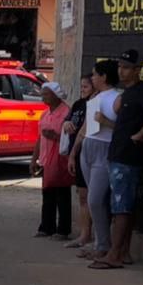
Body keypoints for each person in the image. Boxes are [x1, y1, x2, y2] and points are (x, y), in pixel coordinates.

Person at [90, 49, 143, 270]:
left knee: (120, 206)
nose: (121, 72)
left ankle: (114, 254)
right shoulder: (127, 93)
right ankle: (123, 252)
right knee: (123, 205)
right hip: (118, 151)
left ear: (137, 70)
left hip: (128, 155)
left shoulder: (142, 91)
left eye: (126, 67)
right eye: (120, 67)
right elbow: (121, 126)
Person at [68, 60, 120, 260]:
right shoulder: (95, 97)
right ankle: (99, 241)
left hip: (104, 147)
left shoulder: (117, 98)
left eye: (95, 75)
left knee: (95, 199)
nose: (92, 78)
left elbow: (123, 128)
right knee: (92, 199)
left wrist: (105, 122)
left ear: (104, 77)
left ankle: (102, 244)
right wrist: (74, 152)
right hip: (88, 145)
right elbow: (85, 128)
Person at [31, 81, 73, 239]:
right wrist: (34, 159)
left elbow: (71, 137)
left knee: (62, 193)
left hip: (61, 158)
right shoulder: (45, 114)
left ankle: (63, 229)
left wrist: (55, 137)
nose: (43, 97)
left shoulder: (66, 113)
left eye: (46, 94)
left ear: (56, 95)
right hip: (47, 159)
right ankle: (46, 226)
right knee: (47, 193)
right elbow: (39, 138)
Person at [63, 74, 94, 249]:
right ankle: (84, 234)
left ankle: (94, 236)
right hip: (76, 152)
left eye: (86, 87)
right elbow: (68, 120)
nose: (82, 90)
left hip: (89, 152)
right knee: (82, 196)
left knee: (94, 197)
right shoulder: (78, 104)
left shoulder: (95, 105)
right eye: (81, 87)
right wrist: (66, 124)